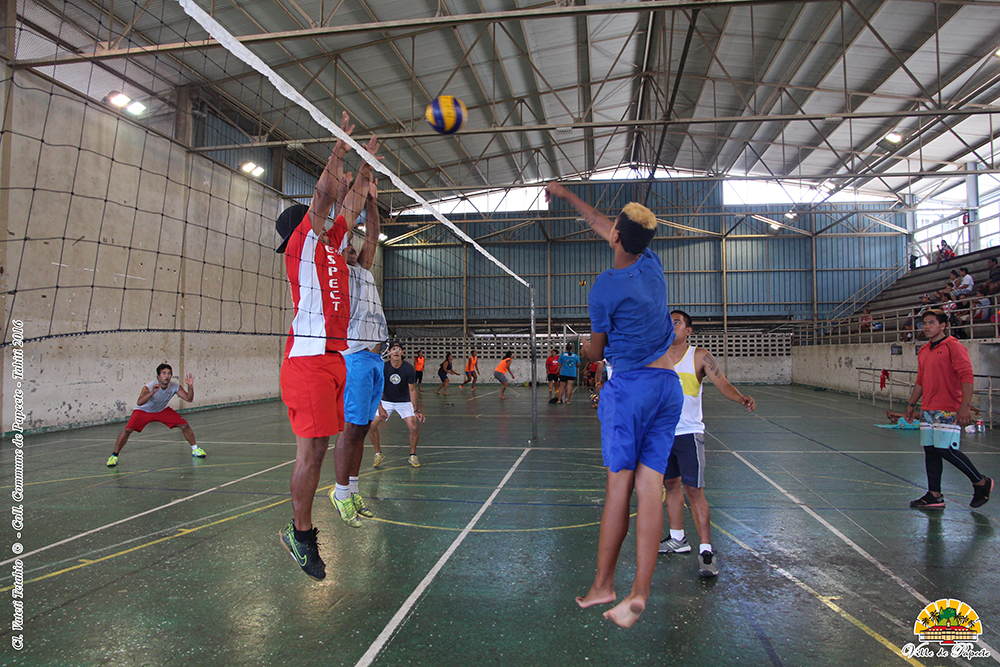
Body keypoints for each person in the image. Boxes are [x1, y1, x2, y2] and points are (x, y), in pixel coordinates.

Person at [546, 181, 682, 629]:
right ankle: (639, 591)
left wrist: (583, 348)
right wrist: (568, 197)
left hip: (630, 390)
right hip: (668, 386)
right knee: (650, 488)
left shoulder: (604, 287)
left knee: (619, 489)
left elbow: (595, 353)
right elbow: (601, 223)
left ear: (618, 237)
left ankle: (603, 585)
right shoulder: (651, 262)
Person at [274, 112, 364, 580]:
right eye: (315, 221)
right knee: (310, 453)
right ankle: (300, 534)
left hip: (333, 359)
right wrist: (338, 149)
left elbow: (349, 207)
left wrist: (365, 171)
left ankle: (304, 528)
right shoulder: (300, 247)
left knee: (321, 448)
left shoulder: (330, 247)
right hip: (308, 360)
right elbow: (325, 198)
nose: (324, 222)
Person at [657, 310, 755, 578]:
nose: (671, 327)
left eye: (677, 323)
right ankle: (677, 538)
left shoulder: (699, 356)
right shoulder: (657, 356)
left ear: (688, 331)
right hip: (662, 435)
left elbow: (722, 383)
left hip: (689, 434)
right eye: (668, 323)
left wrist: (740, 397)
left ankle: (706, 550)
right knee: (670, 486)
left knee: (694, 491)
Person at [329, 153, 387, 530]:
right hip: (353, 358)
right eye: (348, 246)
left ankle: (353, 489)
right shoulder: (338, 269)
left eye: (354, 248)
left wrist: (372, 200)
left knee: (363, 429)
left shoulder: (363, 269)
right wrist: (351, 189)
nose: (353, 248)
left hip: (374, 360)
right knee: (350, 430)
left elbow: (373, 234)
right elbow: (345, 228)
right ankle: (340, 493)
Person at [903, 310, 992, 510]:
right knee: (931, 451)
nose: (926, 326)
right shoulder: (924, 350)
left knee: (946, 450)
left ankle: (981, 482)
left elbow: (967, 377)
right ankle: (934, 495)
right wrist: (911, 404)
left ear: (943, 326)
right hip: (928, 408)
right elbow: (920, 380)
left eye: (931, 322)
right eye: (924, 323)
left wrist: (965, 406)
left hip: (948, 408)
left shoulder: (954, 346)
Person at [107, 364, 202, 467]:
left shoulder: (175, 386)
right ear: (158, 376)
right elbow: (139, 402)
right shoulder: (148, 387)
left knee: (185, 425)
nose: (167, 376)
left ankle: (195, 449)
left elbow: (189, 399)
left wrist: (190, 386)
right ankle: (114, 456)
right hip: (144, 411)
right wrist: (152, 392)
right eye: (164, 373)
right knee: (127, 430)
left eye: (169, 373)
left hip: (161, 410)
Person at [370, 342, 425, 468]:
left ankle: (412, 455)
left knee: (414, 428)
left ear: (402, 353)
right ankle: (378, 453)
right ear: (389, 353)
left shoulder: (409, 368)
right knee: (372, 425)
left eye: (398, 349)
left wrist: (416, 410)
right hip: (386, 401)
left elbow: (412, 390)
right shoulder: (383, 367)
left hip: (404, 402)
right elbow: (377, 390)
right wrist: (380, 408)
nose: (396, 351)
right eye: (393, 349)